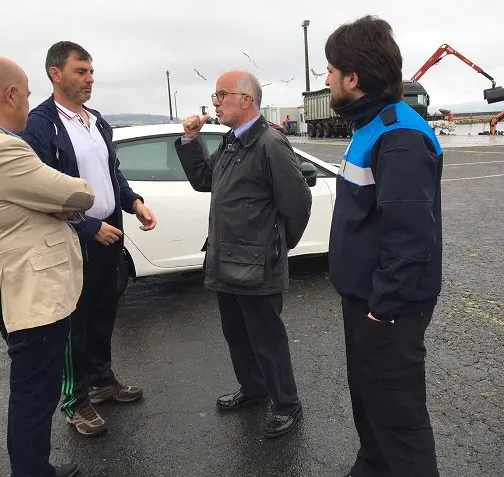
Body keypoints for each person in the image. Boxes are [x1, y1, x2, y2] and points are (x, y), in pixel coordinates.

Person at [0, 54, 95, 477]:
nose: (28, 103)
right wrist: (60, 203)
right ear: (10, 93)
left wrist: (49, 206)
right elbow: (78, 194)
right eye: (25, 95)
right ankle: (32, 471)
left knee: (31, 388)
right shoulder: (0, 148)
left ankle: (34, 467)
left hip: (5, 281)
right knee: (34, 395)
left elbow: (38, 200)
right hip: (31, 290)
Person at [323, 16, 444, 477]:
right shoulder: (369, 125)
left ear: (353, 78)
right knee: (369, 406)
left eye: (331, 70)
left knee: (400, 422)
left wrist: (382, 309)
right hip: (366, 300)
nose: (327, 78)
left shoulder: (399, 136)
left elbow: (411, 236)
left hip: (388, 309)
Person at [20, 41, 157, 437]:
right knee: (73, 324)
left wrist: (133, 202)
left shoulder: (96, 120)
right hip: (72, 242)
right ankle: (74, 399)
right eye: (81, 71)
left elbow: (111, 172)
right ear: (55, 74)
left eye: (92, 72)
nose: (90, 79)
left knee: (102, 314)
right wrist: (86, 227)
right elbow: (39, 191)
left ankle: (101, 380)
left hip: (110, 235)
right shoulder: (40, 124)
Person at [175, 70, 312, 438]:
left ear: (246, 100)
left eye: (221, 95)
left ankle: (286, 404)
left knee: (267, 339)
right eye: (215, 95)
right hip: (225, 260)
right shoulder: (233, 141)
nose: (215, 102)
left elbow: (297, 203)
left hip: (258, 265)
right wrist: (190, 139)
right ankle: (254, 389)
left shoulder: (270, 143)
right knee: (236, 333)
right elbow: (206, 181)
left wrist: (277, 248)